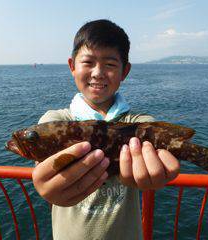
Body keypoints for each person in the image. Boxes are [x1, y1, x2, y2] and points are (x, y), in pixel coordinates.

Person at [32, 19, 180, 240]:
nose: (98, 73)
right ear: (72, 66)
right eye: (88, 62)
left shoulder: (138, 123)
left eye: (110, 64)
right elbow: (42, 166)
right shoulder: (55, 120)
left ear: (124, 71)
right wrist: (43, 184)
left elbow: (154, 138)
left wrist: (159, 172)